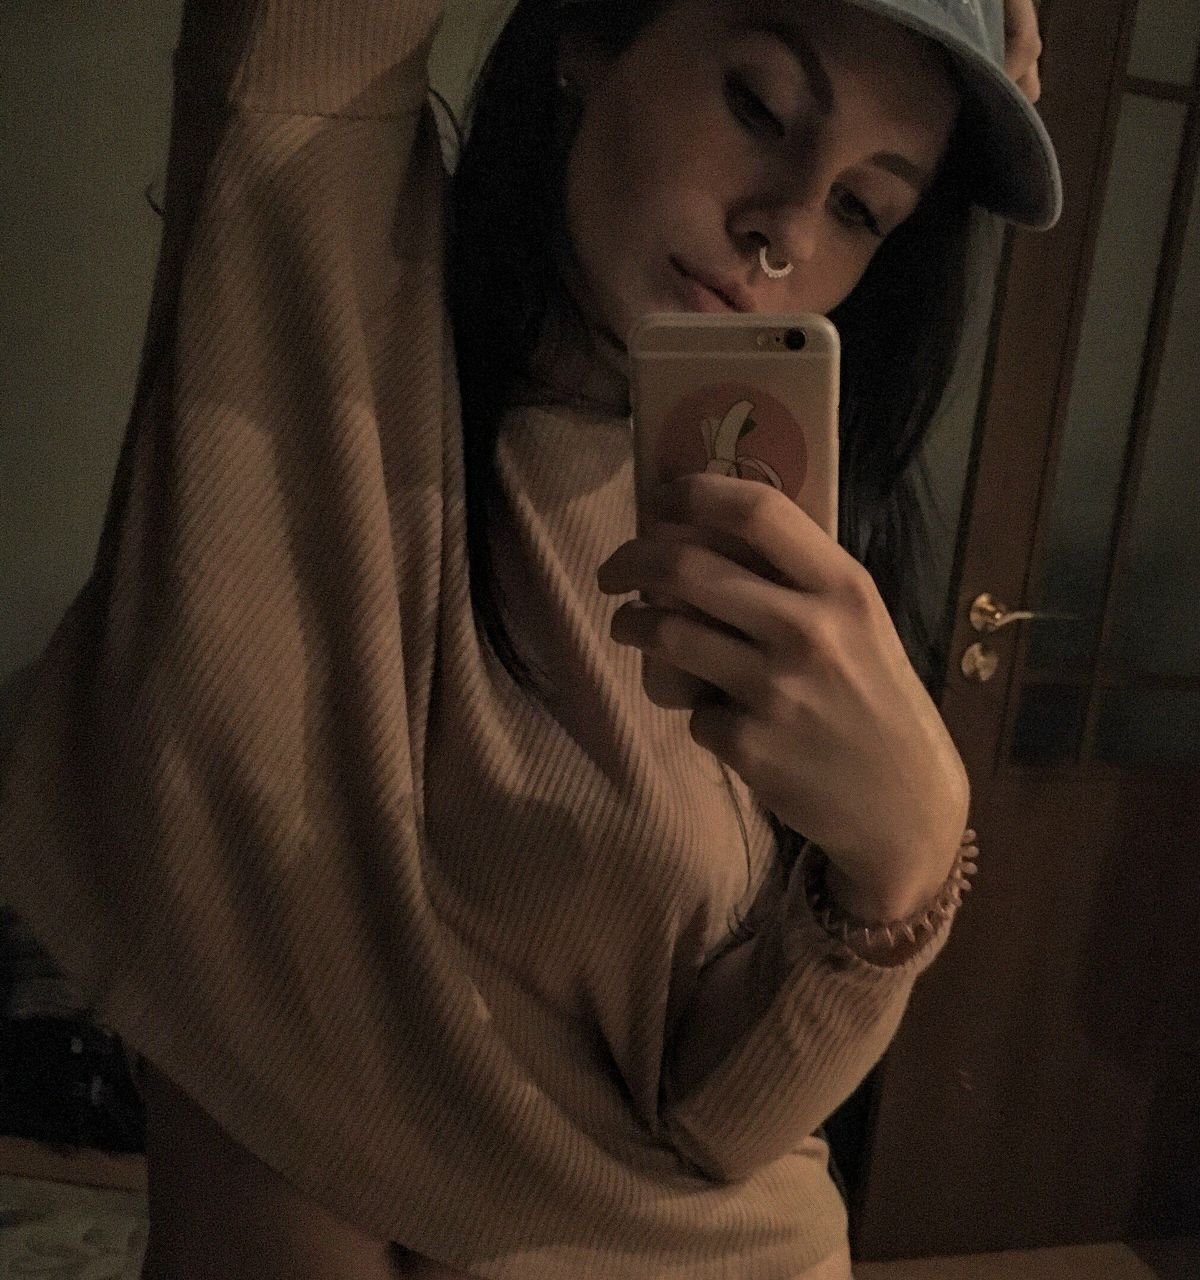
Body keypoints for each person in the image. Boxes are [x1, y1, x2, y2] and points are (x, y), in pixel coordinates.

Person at [0, 1, 1059, 1276]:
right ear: (592, 35)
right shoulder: (328, 292)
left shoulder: (776, 544)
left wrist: (902, 863)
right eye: (758, 107)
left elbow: (722, 1123)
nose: (782, 227)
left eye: (860, 208)